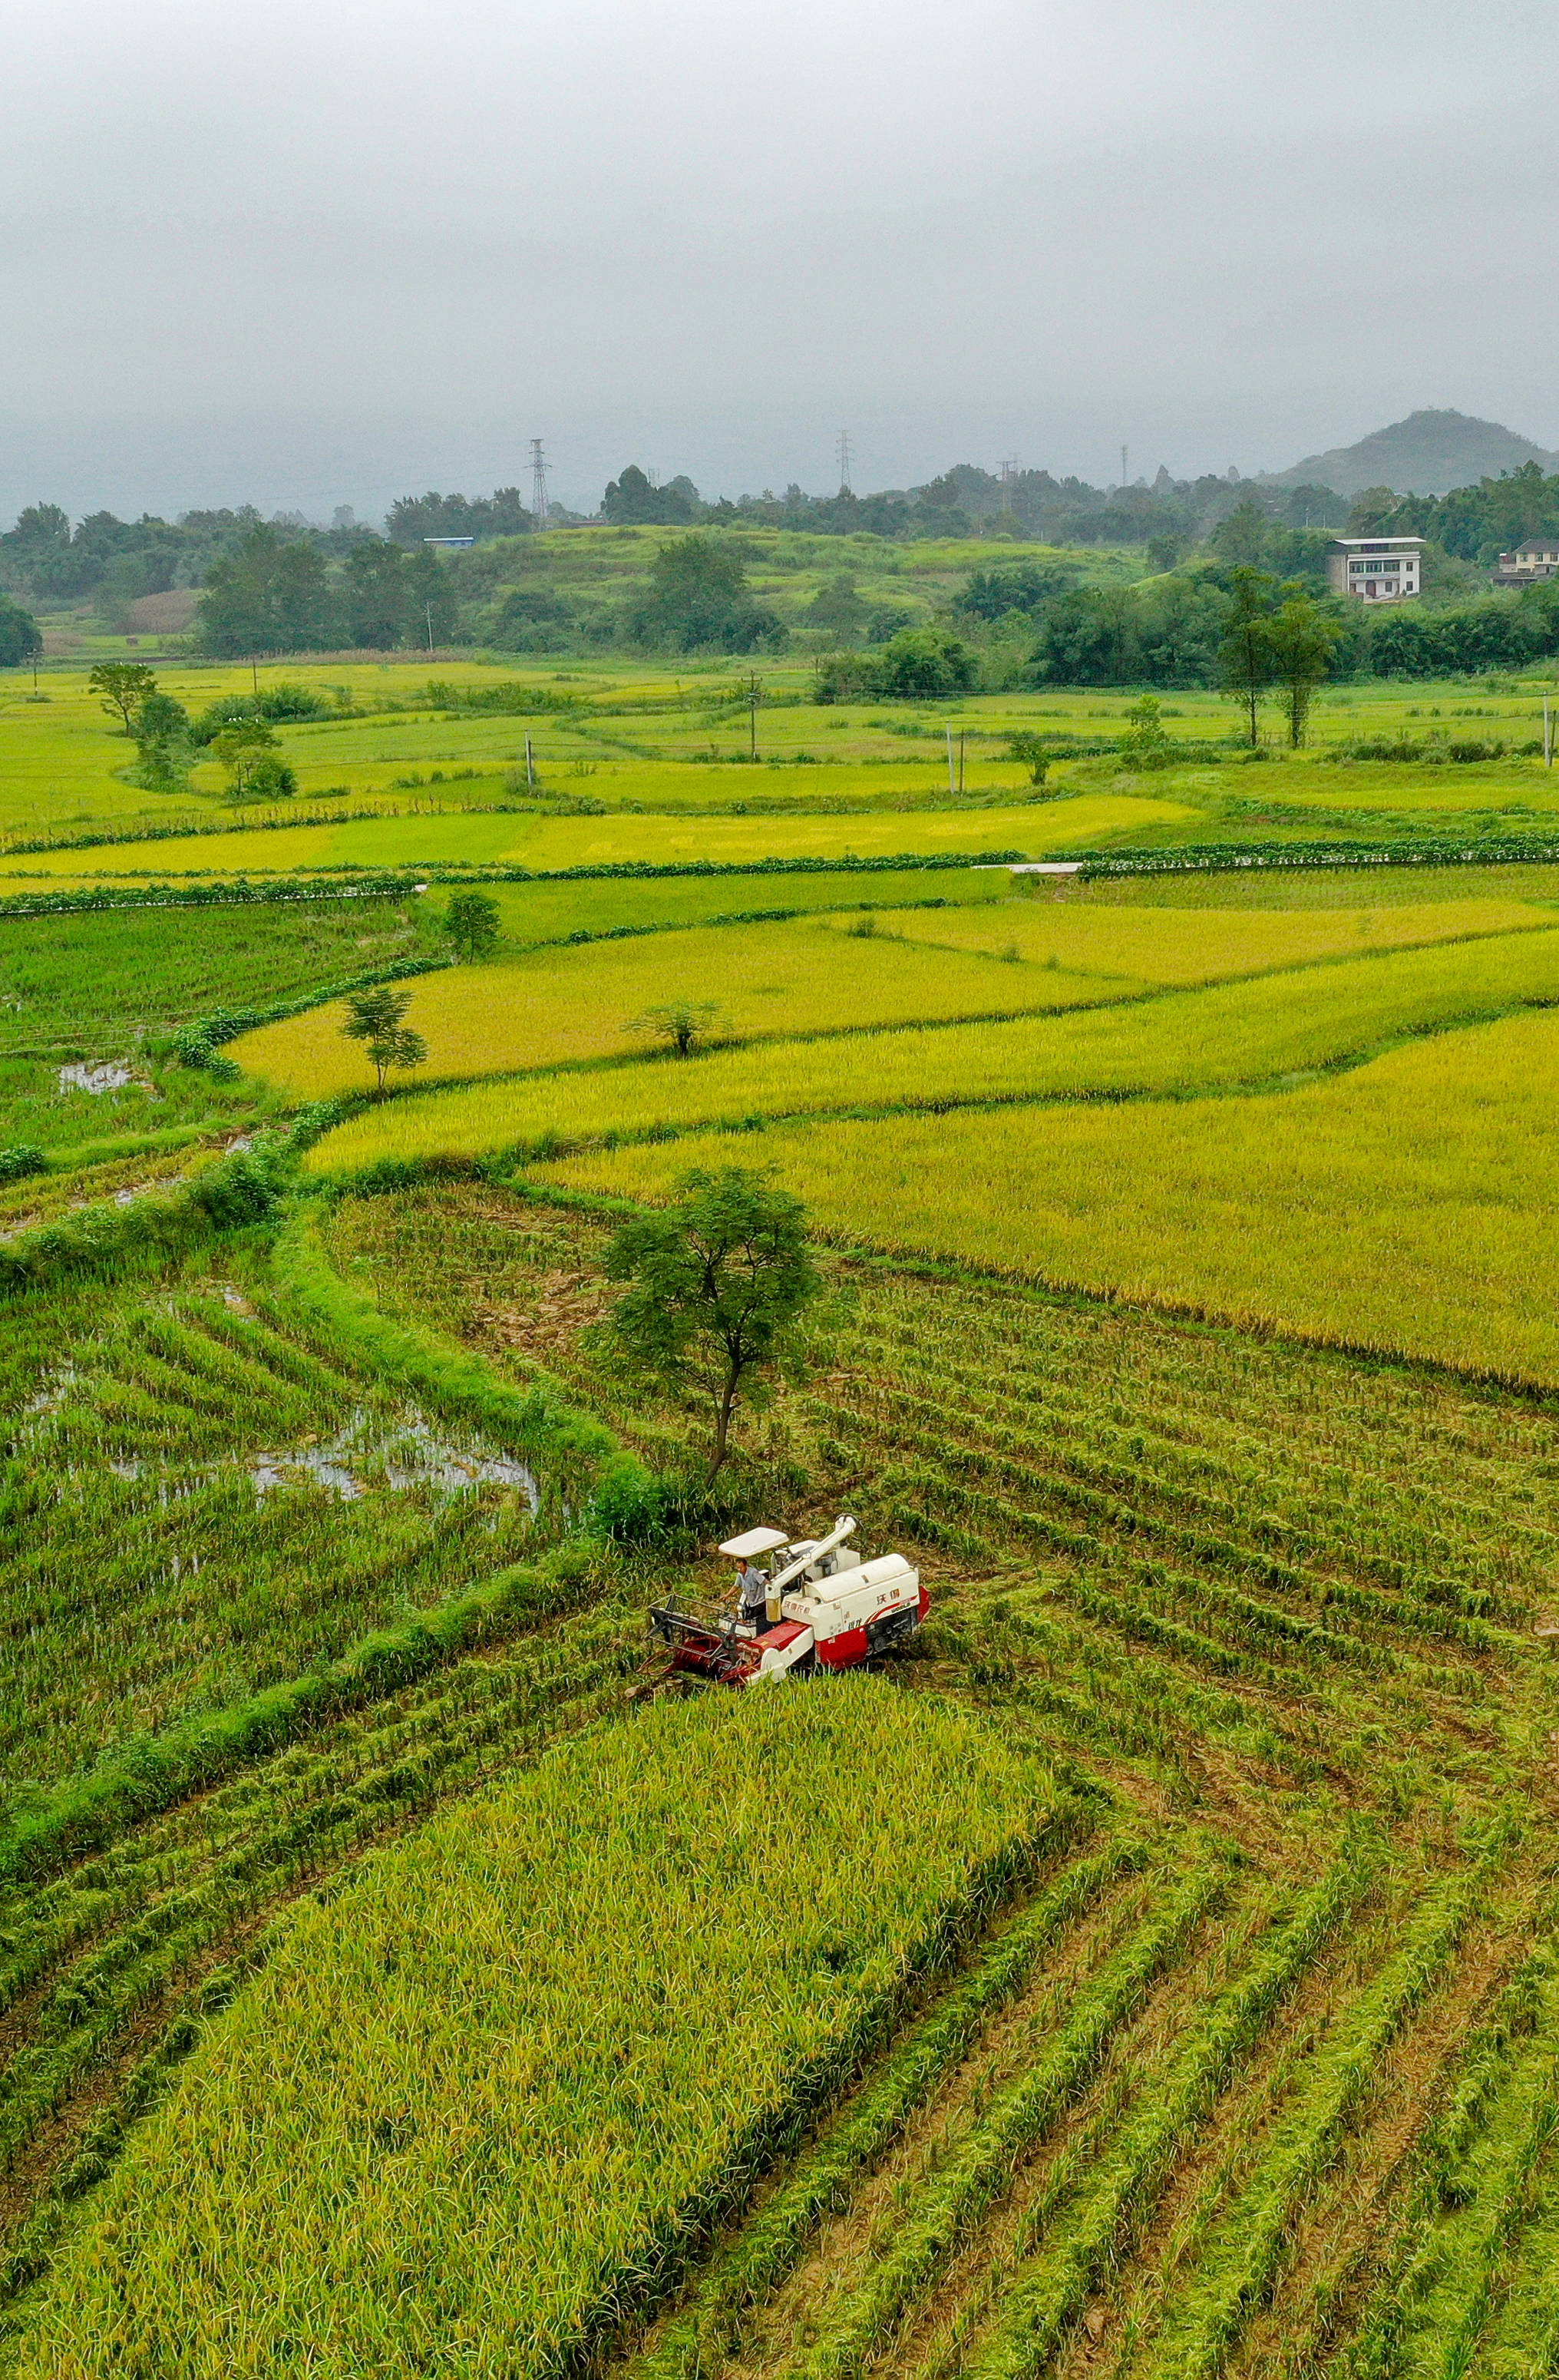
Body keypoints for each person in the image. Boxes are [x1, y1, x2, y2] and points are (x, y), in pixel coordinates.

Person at [736, 1559, 769, 1634]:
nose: (739, 1570)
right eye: (737, 1568)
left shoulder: (753, 1573)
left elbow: (764, 1581)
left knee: (758, 1618)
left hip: (759, 1600)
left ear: (745, 1566)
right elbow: (736, 1586)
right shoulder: (739, 1575)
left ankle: (760, 1633)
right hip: (750, 1601)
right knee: (748, 1617)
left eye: (741, 1568)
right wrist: (727, 1595)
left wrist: (772, 1587)